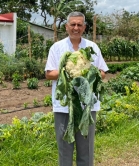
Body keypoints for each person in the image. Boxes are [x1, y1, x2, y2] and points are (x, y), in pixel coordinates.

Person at [45, 11, 109, 166]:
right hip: (64, 107)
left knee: (86, 150)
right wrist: (67, 73)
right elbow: (49, 74)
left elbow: (103, 72)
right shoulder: (57, 47)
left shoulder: (92, 47)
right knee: (64, 150)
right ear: (66, 27)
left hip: (87, 106)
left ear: (84, 27)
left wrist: (87, 74)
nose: (76, 27)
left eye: (79, 24)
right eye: (72, 24)